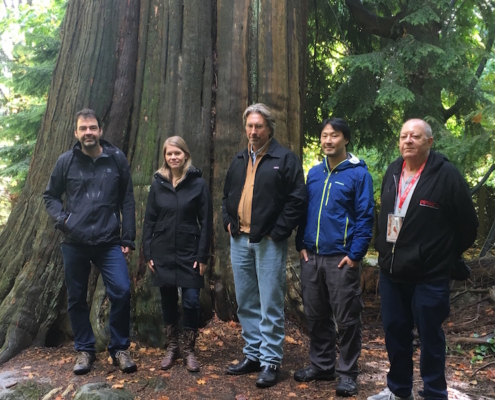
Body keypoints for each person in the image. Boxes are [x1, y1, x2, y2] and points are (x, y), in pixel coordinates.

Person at [368, 119, 478, 400]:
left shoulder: (446, 175)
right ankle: (399, 390)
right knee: (395, 333)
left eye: (415, 136)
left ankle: (434, 392)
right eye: (403, 136)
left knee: (430, 337)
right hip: (392, 272)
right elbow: (386, 216)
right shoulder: (394, 170)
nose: (408, 141)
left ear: (429, 142)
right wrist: (382, 247)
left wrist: (443, 256)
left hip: (429, 275)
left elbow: (468, 225)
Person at [43, 108, 137, 375]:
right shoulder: (66, 161)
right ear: (76, 132)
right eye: (83, 128)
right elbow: (50, 196)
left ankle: (119, 348)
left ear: (100, 130)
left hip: (109, 241)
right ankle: (85, 350)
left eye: (92, 128)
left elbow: (127, 200)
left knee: (121, 290)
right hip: (75, 241)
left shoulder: (115, 158)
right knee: (76, 297)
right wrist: (63, 221)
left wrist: (127, 237)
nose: (88, 133)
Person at [222, 103, 307, 388]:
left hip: (268, 241)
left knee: (270, 300)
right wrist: (228, 222)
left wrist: (279, 231)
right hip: (239, 240)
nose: (254, 131)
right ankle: (253, 355)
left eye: (259, 126)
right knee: (246, 300)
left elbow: (297, 199)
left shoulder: (284, 158)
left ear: (269, 127)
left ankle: (271, 360)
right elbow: (226, 196)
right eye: (249, 126)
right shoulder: (238, 159)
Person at [294, 118, 374, 396]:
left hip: (341, 259)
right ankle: (322, 365)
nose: (328, 140)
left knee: (348, 318)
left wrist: (355, 255)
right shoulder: (314, 173)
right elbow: (305, 211)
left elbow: (365, 216)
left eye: (335, 135)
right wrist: (300, 243)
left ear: (346, 140)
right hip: (311, 257)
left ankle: (348, 373)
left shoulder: (358, 174)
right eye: (325, 136)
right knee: (316, 315)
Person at [142, 136, 213, 373]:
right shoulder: (158, 183)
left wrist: (203, 256)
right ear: (165, 156)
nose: (173, 157)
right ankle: (172, 347)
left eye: (177, 153)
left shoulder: (198, 184)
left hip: (189, 251)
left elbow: (206, 222)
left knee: (192, 301)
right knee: (168, 301)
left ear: (185, 155)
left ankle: (189, 349)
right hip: (162, 252)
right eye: (169, 153)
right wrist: (148, 251)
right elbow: (149, 220)